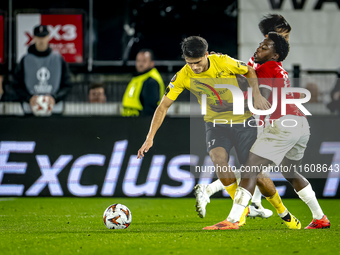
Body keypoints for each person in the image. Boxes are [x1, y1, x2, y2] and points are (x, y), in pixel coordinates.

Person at [137, 36, 298, 229]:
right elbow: (163, 107)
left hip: (242, 121)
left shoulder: (223, 61)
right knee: (219, 160)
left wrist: (255, 93)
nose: (194, 67)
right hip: (215, 123)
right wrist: (150, 137)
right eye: (190, 63)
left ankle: (284, 213)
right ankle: (242, 212)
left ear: (206, 54)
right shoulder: (183, 75)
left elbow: (249, 70)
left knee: (258, 176)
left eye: (198, 62)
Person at [204, 32, 330, 230]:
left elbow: (260, 95)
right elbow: (250, 81)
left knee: (250, 167)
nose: (259, 48)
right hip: (301, 124)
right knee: (290, 171)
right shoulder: (276, 68)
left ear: (275, 55)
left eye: (265, 47)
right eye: (260, 45)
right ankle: (320, 218)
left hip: (283, 124)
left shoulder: (267, 66)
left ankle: (233, 220)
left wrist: (223, 67)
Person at [194, 14, 292, 219]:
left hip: (257, 115)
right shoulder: (261, 61)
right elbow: (245, 81)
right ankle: (211, 191)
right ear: (270, 35)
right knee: (254, 166)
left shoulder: (263, 60)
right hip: (255, 116)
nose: (287, 40)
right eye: (284, 35)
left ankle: (253, 203)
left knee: (254, 167)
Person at [12, 25, 72, 115]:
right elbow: (16, 85)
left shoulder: (58, 60)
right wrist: (29, 98)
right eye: (38, 37)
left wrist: (55, 98)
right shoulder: (25, 60)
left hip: (55, 111)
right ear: (34, 38)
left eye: (44, 37)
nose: (41, 40)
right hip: (30, 111)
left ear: (48, 37)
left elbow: (67, 85)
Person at [121, 49, 165, 116]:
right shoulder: (139, 78)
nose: (140, 64)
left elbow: (150, 110)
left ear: (152, 63)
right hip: (132, 122)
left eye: (144, 61)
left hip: (140, 123)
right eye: (138, 61)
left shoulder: (151, 81)